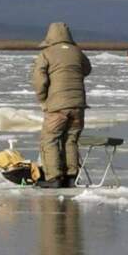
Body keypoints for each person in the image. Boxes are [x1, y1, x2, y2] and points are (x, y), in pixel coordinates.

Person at [31, 22, 92, 188]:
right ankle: (72, 176)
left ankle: (54, 177)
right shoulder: (78, 52)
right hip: (78, 106)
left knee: (49, 139)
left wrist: (43, 98)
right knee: (71, 139)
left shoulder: (47, 53)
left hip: (57, 106)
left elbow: (39, 79)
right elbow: (87, 69)